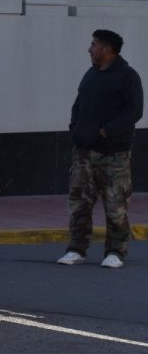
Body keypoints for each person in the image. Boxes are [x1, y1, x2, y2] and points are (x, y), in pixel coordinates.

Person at [57, 29, 143, 269]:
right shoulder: (91, 75)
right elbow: (78, 104)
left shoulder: (128, 76)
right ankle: (76, 249)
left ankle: (115, 251)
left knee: (116, 204)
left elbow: (134, 111)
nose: (89, 48)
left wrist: (107, 131)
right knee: (79, 203)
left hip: (114, 154)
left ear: (108, 49)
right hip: (84, 151)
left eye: (94, 44)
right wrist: (75, 130)